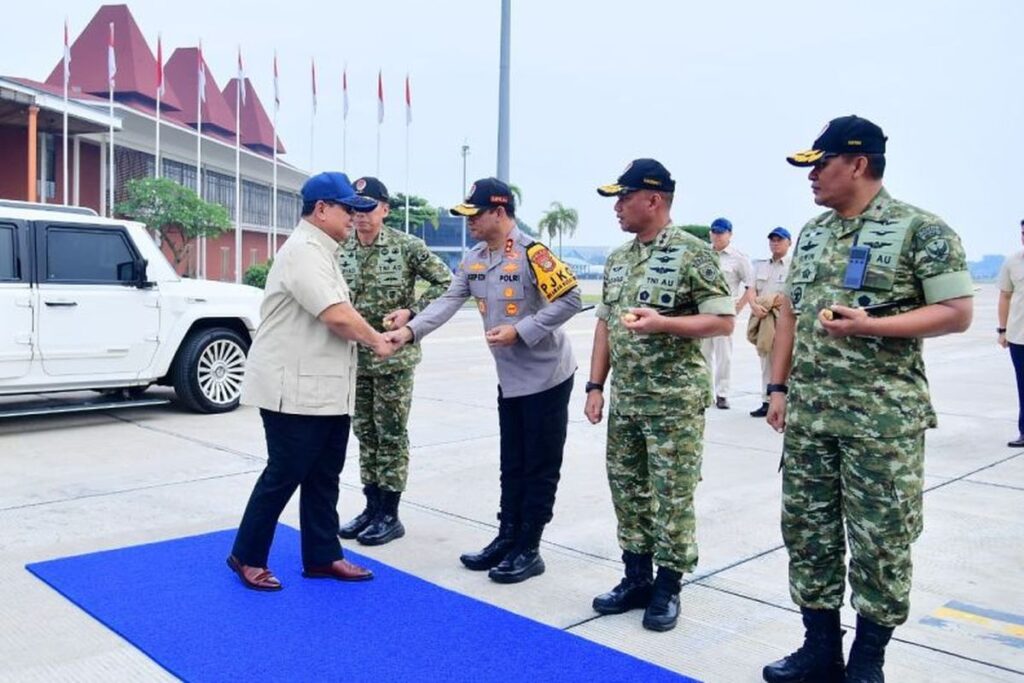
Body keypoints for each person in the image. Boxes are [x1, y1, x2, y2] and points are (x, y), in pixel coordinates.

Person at [763, 116, 973, 682]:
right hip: (810, 417)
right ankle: (819, 648)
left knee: (882, 540)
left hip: (882, 423)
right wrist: (777, 388)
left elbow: (957, 313)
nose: (811, 176)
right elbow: (789, 314)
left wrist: (871, 327)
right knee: (808, 533)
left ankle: (868, 659)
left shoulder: (920, 230)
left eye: (820, 164)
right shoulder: (812, 232)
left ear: (857, 164)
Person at [386, 177, 580, 584]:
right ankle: (507, 536)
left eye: (475, 215)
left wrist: (522, 330)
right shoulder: (475, 258)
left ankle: (530, 547)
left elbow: (570, 300)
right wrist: (408, 332)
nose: (469, 222)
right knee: (512, 461)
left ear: (499, 212)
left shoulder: (533, 253)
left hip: (547, 375)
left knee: (539, 465)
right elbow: (447, 301)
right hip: (510, 379)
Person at [585, 159, 734, 632]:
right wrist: (594, 385)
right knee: (627, 489)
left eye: (624, 197)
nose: (617, 207)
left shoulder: (692, 253)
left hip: (674, 401)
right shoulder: (618, 259)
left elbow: (723, 320)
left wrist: (665, 323)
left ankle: (668, 585)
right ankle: (636, 577)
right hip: (628, 397)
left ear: (653, 200)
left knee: (672, 495)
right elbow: (605, 324)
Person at [227, 172, 392, 591]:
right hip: (293, 391)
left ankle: (322, 557)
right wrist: (376, 340)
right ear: (321, 209)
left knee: (324, 476)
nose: (354, 218)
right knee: (284, 473)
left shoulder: (324, 250)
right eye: (347, 210)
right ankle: (246, 555)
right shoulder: (303, 250)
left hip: (324, 389)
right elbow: (335, 313)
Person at [336, 177, 452, 546]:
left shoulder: (407, 246)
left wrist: (411, 311)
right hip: (354, 358)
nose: (361, 217)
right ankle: (371, 507)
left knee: (391, 435)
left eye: (368, 209)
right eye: (355, 209)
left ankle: (390, 513)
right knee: (365, 433)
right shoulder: (341, 248)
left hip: (393, 360)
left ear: (385, 209)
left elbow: (446, 284)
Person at [700, 217, 754, 409]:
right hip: (704, 310)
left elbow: (750, 286)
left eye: (721, 233)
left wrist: (737, 309)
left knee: (724, 356)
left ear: (730, 234)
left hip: (725, 311)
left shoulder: (738, 257)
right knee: (703, 354)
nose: (717, 236)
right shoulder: (703, 253)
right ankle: (705, 393)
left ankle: (722, 393)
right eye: (714, 232)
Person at [747, 227, 792, 417]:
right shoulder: (759, 266)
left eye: (779, 240)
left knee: (785, 359)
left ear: (789, 243)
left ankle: (785, 399)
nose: (775, 243)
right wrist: (755, 306)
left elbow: (788, 295)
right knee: (766, 359)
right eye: (772, 240)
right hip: (764, 318)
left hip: (784, 318)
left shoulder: (793, 265)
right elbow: (751, 289)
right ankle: (766, 401)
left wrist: (771, 301)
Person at [998, 219, 1024, 448]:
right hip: (1019, 336)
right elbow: (1005, 296)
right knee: (1023, 385)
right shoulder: (1013, 262)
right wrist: (1002, 329)